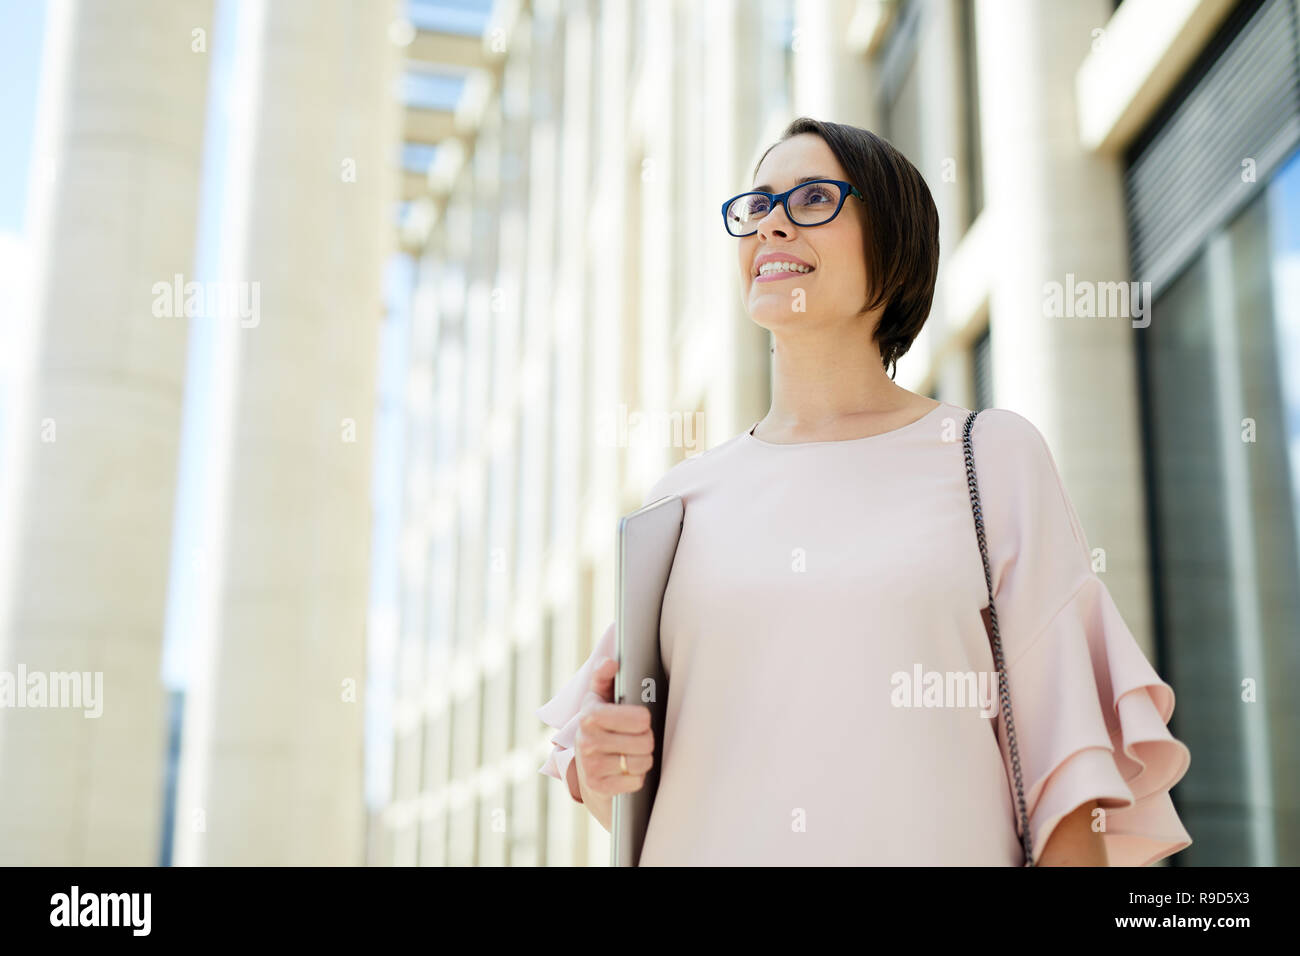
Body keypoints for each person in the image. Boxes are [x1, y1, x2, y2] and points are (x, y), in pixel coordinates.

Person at [535, 117, 1192, 866]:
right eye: (756, 207)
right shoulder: (679, 500)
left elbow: (1069, 796)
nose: (773, 225)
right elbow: (624, 791)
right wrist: (600, 766)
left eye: (813, 198)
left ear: (894, 244)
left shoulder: (990, 458)